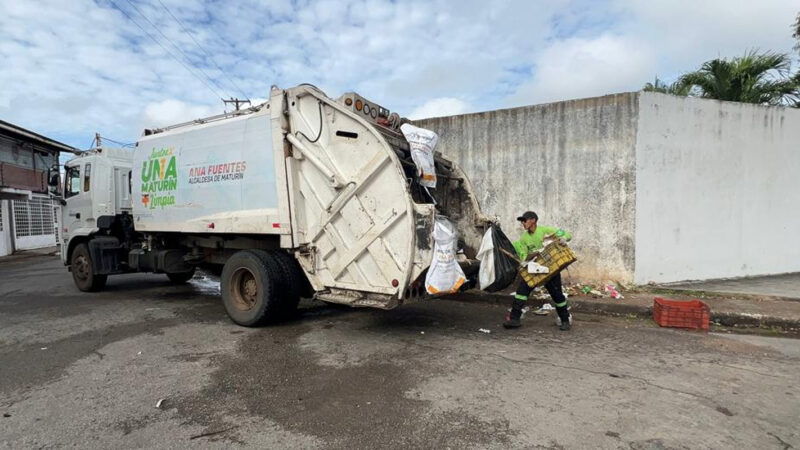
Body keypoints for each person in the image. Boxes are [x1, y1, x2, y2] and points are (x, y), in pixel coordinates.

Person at [504, 211, 573, 331]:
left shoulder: (546, 231)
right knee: (521, 291)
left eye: (524, 220)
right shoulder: (524, 238)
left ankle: (565, 320)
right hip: (534, 269)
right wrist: (528, 257)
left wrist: (563, 238)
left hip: (550, 269)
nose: (523, 223)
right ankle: (514, 319)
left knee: (557, 295)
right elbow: (525, 255)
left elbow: (567, 234)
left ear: (533, 220)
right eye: (522, 221)